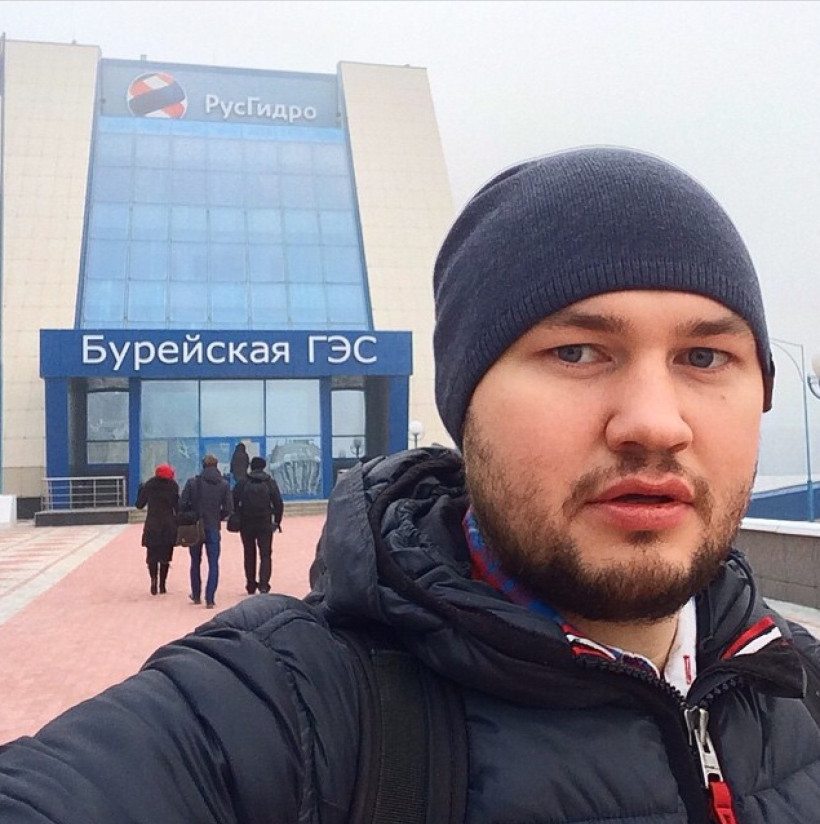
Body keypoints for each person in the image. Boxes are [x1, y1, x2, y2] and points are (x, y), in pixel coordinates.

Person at [2, 146, 820, 822]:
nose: (654, 422)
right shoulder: (295, 712)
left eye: (704, 356)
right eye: (576, 352)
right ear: (465, 407)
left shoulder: (798, 682)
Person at [179, 453, 232, 609]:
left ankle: (196, 595)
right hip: (213, 526)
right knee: (213, 563)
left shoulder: (192, 483)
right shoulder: (223, 484)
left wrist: (192, 514)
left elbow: (182, 504)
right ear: (216, 466)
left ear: (203, 465)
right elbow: (228, 508)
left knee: (195, 561)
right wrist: (217, 517)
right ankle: (210, 598)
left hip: (196, 527)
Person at [233, 455, 284, 594]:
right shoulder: (269, 482)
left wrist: (237, 515)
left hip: (246, 523)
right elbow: (278, 503)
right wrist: (277, 521)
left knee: (249, 553)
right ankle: (264, 584)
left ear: (251, 466)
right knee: (265, 554)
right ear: (264, 467)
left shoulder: (243, 482)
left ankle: (250, 584)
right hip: (265, 523)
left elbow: (233, 500)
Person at [134, 463, 179, 596]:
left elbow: (139, 505)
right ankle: (162, 585)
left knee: (152, 555)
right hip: (168, 525)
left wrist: (140, 490)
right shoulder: (173, 486)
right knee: (166, 556)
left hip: (152, 524)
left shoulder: (149, 485)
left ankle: (153, 580)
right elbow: (177, 507)